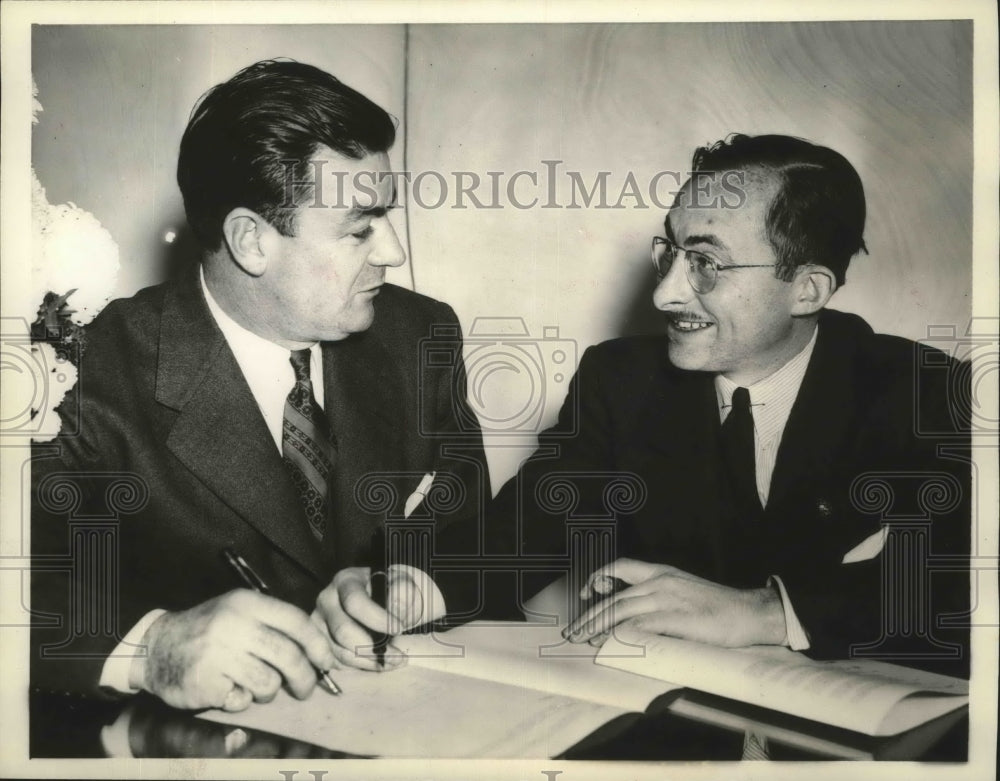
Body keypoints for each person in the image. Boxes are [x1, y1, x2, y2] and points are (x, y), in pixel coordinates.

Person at [30, 60, 489, 712]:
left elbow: (479, 533)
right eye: (360, 226)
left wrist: (418, 580)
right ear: (250, 241)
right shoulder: (79, 372)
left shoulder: (420, 335)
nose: (392, 251)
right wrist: (151, 647)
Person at [492, 134, 970, 678]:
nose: (665, 294)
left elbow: (963, 582)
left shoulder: (926, 394)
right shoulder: (621, 380)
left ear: (808, 291)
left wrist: (767, 612)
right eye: (670, 253)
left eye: (706, 262)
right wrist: (412, 587)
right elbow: (520, 531)